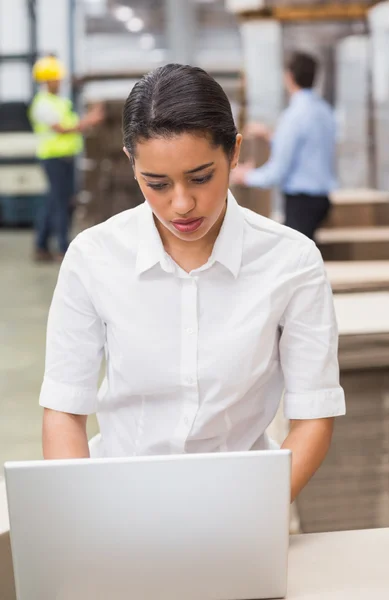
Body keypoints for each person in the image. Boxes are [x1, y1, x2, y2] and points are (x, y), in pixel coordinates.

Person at [40, 64, 345, 503]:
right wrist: (86, 519)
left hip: (243, 504)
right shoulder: (94, 258)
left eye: (201, 178)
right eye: (156, 183)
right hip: (118, 504)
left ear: (235, 153)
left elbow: (314, 414)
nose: (181, 205)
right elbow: (65, 411)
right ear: (132, 163)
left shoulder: (291, 262)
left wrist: (252, 513)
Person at [231, 51, 337, 241]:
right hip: (322, 199)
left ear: (289, 76)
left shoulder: (294, 116)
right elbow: (309, 149)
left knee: (296, 264)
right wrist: (272, 137)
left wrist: (246, 176)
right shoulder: (325, 111)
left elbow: (277, 171)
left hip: (301, 203)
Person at [29, 55, 104, 262]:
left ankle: (41, 246)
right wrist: (91, 120)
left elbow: (69, 121)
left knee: (55, 201)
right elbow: (62, 129)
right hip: (54, 159)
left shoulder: (58, 101)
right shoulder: (42, 104)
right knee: (61, 203)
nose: (60, 81)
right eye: (56, 78)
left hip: (65, 158)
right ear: (47, 80)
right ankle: (63, 247)